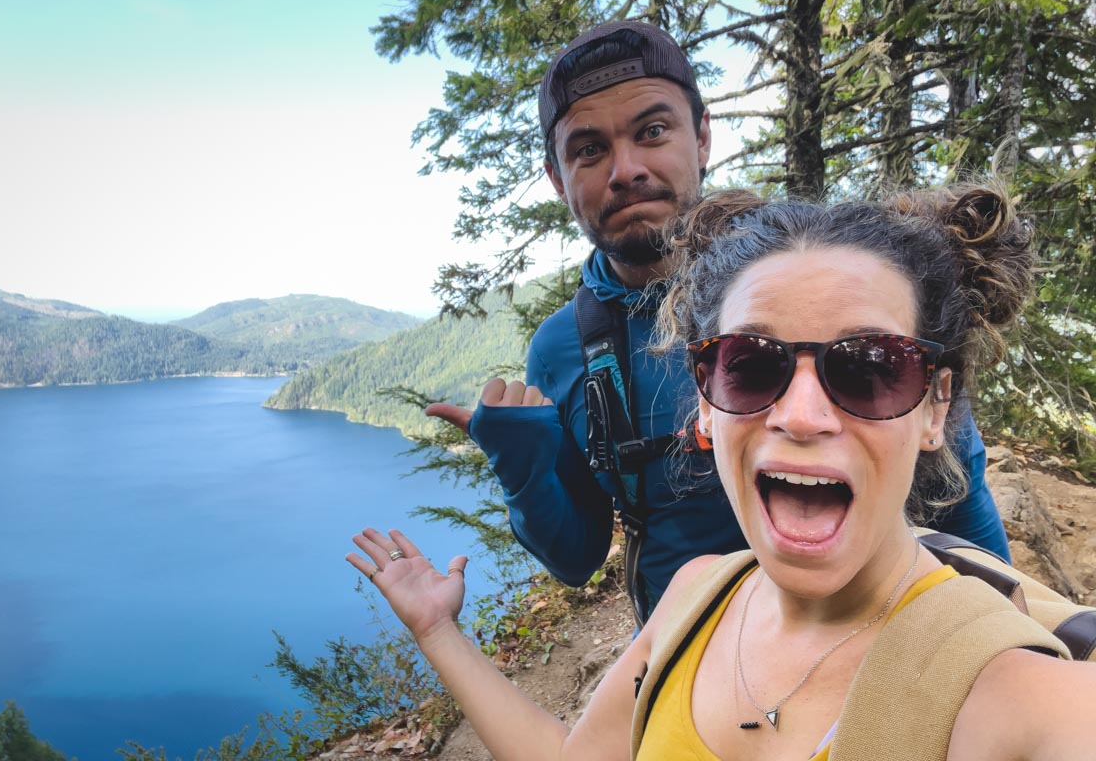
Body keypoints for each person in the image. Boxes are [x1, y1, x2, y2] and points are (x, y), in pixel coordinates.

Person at [349, 185, 1096, 760]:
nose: (802, 415)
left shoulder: (1014, 695)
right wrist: (439, 631)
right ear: (704, 406)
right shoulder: (695, 598)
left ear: (936, 410)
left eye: (871, 368)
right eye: (750, 365)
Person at [426, 20, 1010, 623]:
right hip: (684, 667)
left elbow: (956, 497)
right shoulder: (564, 348)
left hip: (872, 645)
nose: (624, 169)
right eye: (588, 149)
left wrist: (1005, 640)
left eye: (653, 131)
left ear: (701, 138)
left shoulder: (821, 287)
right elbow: (577, 559)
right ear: (557, 178)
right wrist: (523, 468)